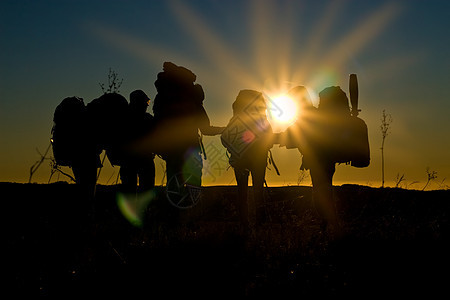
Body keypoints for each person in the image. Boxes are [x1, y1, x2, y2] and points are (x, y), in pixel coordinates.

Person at [151, 62, 224, 206]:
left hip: (171, 149)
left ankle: (173, 218)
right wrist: (225, 129)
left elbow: (157, 124)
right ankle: (191, 215)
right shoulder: (193, 101)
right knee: (194, 183)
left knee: (173, 184)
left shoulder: (162, 98)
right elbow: (205, 129)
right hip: (191, 148)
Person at [278, 86, 343, 237]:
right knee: (324, 191)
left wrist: (272, 138)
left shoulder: (307, 116)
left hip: (320, 162)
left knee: (321, 193)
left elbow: (294, 136)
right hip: (325, 160)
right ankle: (329, 226)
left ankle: (331, 226)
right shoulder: (314, 114)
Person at [221, 89, 274, 228]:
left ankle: (244, 224)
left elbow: (225, 139)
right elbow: (270, 137)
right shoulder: (261, 119)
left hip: (240, 160)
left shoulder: (236, 118)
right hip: (259, 159)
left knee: (242, 193)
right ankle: (260, 224)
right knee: (258, 192)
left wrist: (236, 148)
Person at [119, 90, 156, 193]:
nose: (147, 105)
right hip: (141, 160)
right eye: (145, 102)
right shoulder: (147, 119)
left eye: (148, 102)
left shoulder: (124, 119)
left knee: (130, 191)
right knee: (145, 190)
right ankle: (146, 209)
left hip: (128, 161)